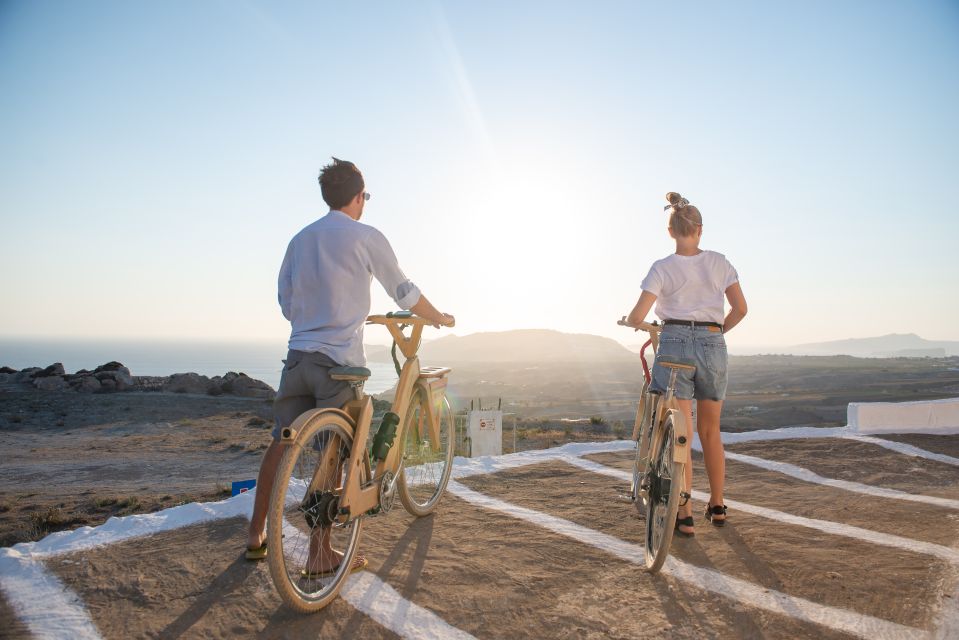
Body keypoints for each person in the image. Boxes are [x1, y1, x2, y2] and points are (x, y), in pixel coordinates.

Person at [245, 158, 454, 573]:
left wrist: (314, 318)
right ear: (358, 197)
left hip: (298, 357)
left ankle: (255, 535)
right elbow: (404, 292)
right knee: (338, 452)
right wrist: (439, 317)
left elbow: (286, 301)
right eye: (366, 197)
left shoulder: (300, 240)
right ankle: (320, 552)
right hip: (338, 364)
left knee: (281, 442)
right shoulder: (365, 236)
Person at [625, 192, 747, 537]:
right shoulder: (720, 263)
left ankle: (684, 511)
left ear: (670, 231)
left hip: (674, 343)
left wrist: (643, 323)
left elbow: (637, 316)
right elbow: (740, 309)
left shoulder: (662, 268)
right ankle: (719, 505)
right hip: (713, 345)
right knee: (711, 431)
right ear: (700, 229)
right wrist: (716, 331)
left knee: (682, 430)